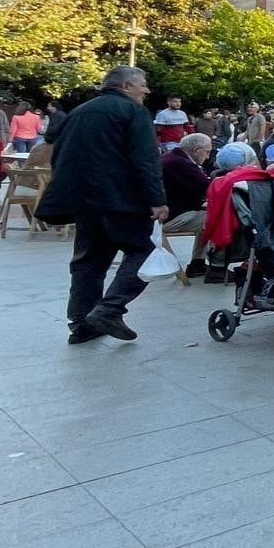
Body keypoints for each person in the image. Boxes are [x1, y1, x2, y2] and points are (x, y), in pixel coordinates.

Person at [35, 66, 168, 343]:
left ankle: (82, 324)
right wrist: (156, 200)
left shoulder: (79, 111)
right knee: (143, 251)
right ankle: (109, 309)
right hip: (121, 199)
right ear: (125, 86)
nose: (146, 90)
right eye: (142, 84)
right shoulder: (133, 112)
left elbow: (58, 154)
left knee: (88, 261)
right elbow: (145, 159)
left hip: (85, 201)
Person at [160, 133, 213, 234]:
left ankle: (202, 250)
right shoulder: (180, 163)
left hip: (168, 211)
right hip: (171, 216)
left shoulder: (171, 157)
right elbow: (208, 188)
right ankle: (206, 250)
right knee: (221, 218)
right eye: (207, 152)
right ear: (197, 150)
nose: (207, 157)